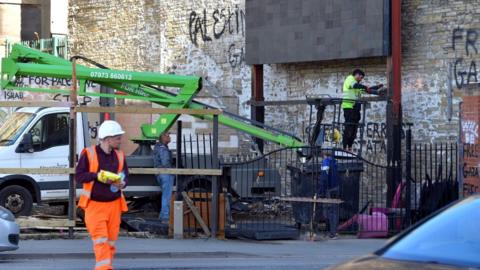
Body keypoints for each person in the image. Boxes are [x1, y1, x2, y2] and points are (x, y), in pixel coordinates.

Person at [76, 120, 129, 270]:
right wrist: (96, 176)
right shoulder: (89, 153)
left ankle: (106, 267)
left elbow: (125, 175)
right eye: (118, 137)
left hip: (114, 206)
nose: (120, 140)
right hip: (95, 207)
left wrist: (122, 183)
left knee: (110, 243)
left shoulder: (119, 155)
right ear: (108, 139)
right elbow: (79, 176)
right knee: (101, 242)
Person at [341, 69, 384, 151]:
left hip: (355, 108)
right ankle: (344, 147)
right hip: (349, 107)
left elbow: (366, 90)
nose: (361, 79)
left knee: (354, 128)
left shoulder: (357, 84)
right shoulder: (350, 79)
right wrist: (365, 87)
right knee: (349, 127)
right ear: (357, 74)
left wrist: (377, 89)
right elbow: (357, 86)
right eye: (361, 77)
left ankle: (349, 147)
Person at [153, 132, 174, 223]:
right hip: (166, 174)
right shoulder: (163, 149)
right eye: (167, 135)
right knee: (167, 196)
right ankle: (165, 217)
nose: (169, 137)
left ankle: (163, 215)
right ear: (162, 137)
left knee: (165, 195)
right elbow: (165, 163)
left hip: (160, 174)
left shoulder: (158, 147)